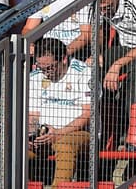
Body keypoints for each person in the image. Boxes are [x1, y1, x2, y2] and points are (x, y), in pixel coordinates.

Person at [72, 0, 136, 146]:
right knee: (92, 65)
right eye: (101, 9)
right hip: (124, 48)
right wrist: (97, 55)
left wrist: (116, 65)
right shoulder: (97, 3)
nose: (104, 12)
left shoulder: (135, 0)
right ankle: (99, 124)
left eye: (108, 7)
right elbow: (98, 33)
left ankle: (132, 124)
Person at [26, 37, 91, 186]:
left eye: (50, 68)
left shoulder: (84, 73)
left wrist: (59, 133)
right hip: (43, 134)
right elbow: (33, 115)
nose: (45, 73)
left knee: (65, 146)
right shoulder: (35, 77)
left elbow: (88, 114)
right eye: (41, 67)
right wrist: (30, 136)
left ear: (63, 59)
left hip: (78, 133)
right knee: (2, 149)